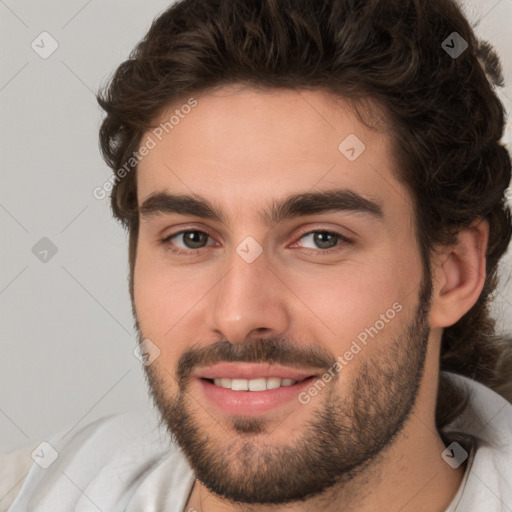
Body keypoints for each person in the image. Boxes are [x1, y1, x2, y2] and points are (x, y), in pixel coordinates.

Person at [2, 0, 512, 511]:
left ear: (453, 273)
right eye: (192, 238)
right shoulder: (30, 490)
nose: (239, 316)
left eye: (321, 239)